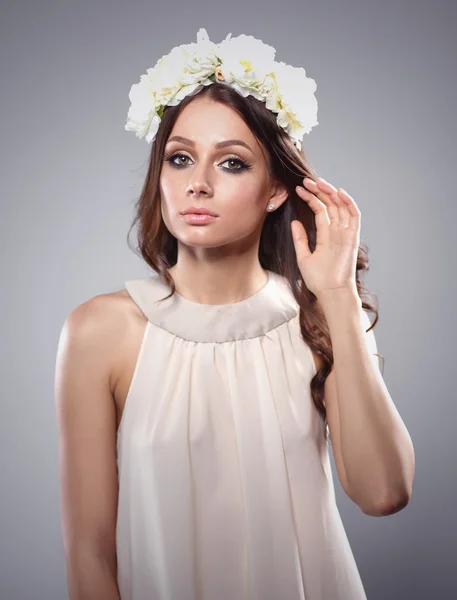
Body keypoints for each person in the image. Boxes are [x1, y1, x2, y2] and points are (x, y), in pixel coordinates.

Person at [55, 28, 415, 600]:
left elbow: (383, 494)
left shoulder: (318, 321)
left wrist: (339, 297)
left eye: (231, 163)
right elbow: (90, 557)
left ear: (275, 189)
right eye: (179, 159)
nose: (197, 184)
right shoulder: (100, 332)